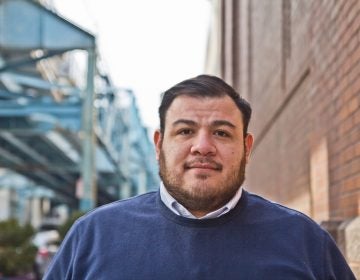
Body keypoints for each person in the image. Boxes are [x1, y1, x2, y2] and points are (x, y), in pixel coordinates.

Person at [44, 75, 355, 279]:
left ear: (246, 147)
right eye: (185, 131)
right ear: (158, 144)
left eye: (221, 132)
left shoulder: (303, 241)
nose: (203, 147)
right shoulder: (93, 236)